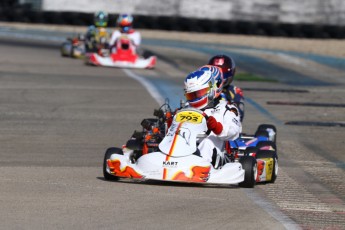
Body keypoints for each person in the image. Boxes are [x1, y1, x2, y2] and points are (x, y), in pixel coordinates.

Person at [184, 65, 242, 168]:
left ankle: (199, 167)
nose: (195, 98)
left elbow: (234, 131)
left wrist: (217, 127)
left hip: (215, 153)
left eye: (198, 94)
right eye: (191, 95)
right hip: (187, 147)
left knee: (207, 142)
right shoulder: (186, 108)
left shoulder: (227, 109)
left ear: (211, 89)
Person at [208, 54, 245, 121]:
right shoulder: (204, 88)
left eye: (223, 72)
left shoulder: (234, 91)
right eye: (216, 72)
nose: (219, 76)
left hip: (225, 124)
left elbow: (239, 115)